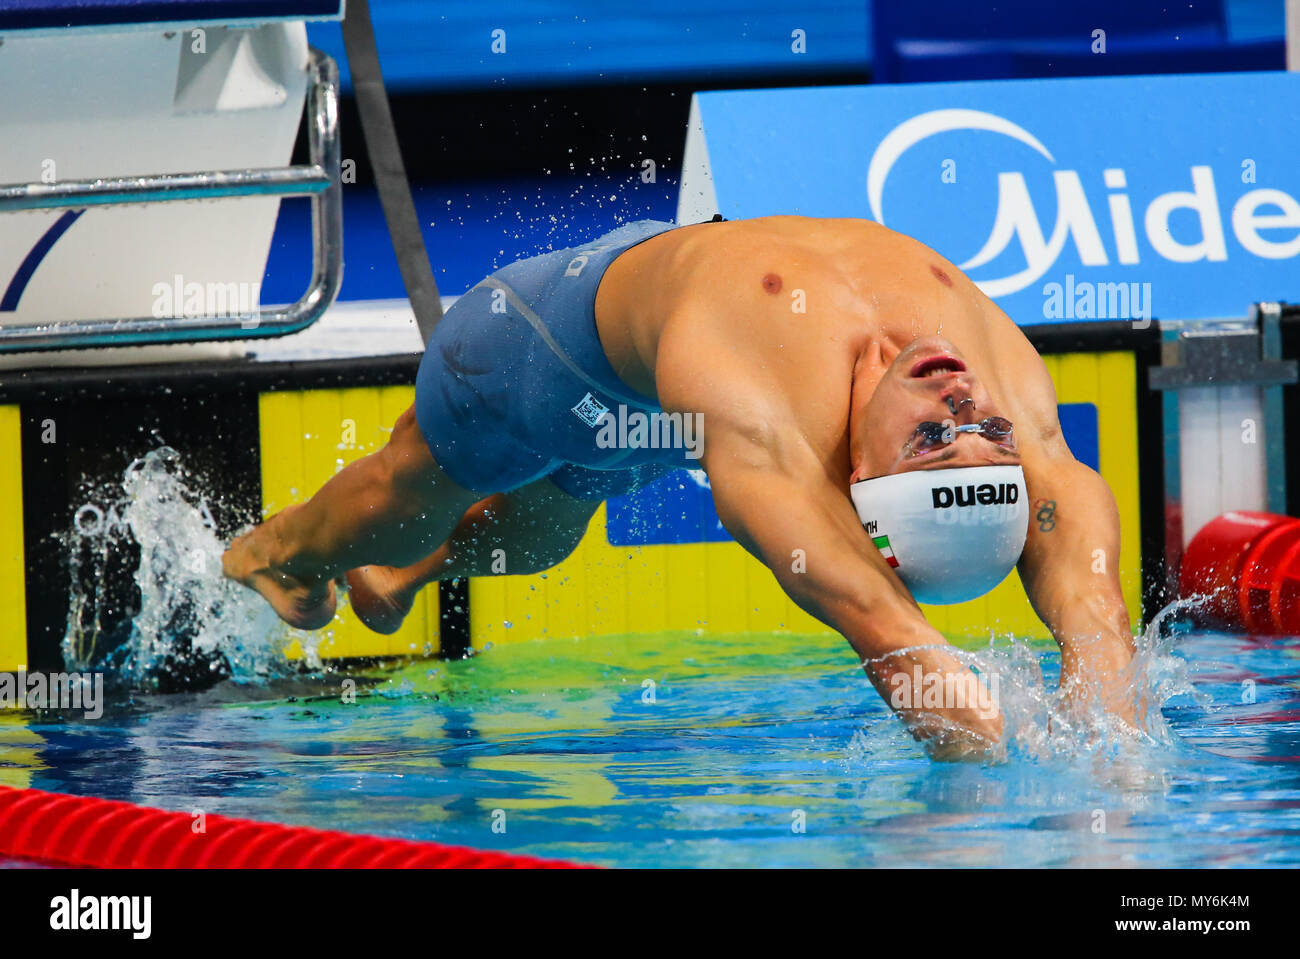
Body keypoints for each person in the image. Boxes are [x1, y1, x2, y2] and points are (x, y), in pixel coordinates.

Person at [223, 215, 1136, 758]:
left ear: (861, 479)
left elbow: (920, 630)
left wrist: (1052, 750)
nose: (964, 396)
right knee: (408, 491)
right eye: (983, 433)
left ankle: (406, 577)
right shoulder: (979, 376)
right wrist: (1087, 685)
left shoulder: (785, 443)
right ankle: (271, 551)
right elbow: (919, 611)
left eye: (940, 437)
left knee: (549, 528)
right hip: (540, 343)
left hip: (670, 381)